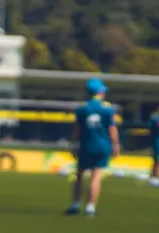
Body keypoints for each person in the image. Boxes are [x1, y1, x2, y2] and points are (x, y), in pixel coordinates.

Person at [65, 78, 120, 217]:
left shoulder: (82, 108)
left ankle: (75, 204)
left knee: (79, 175)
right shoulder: (108, 108)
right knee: (95, 177)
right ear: (100, 92)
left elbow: (76, 130)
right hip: (102, 145)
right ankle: (90, 207)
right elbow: (112, 130)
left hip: (86, 145)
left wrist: (73, 144)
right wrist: (116, 145)